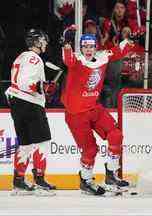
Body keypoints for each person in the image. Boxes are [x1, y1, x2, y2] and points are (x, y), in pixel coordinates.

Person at [61, 33, 133, 196]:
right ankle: (86, 181)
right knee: (90, 150)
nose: (88, 50)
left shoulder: (102, 57)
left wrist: (130, 41)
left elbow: (118, 51)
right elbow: (68, 60)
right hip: (76, 114)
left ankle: (111, 175)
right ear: (80, 47)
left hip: (94, 108)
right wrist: (66, 45)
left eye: (91, 46)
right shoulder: (77, 60)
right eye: (85, 46)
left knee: (116, 135)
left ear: (96, 47)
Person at [5, 29, 57, 196]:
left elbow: (19, 81)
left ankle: (19, 180)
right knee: (43, 142)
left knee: (26, 144)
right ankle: (40, 180)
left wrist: (42, 86)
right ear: (37, 42)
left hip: (16, 102)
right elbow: (25, 82)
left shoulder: (21, 56)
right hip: (30, 103)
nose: (46, 44)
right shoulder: (34, 58)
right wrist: (43, 87)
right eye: (44, 41)